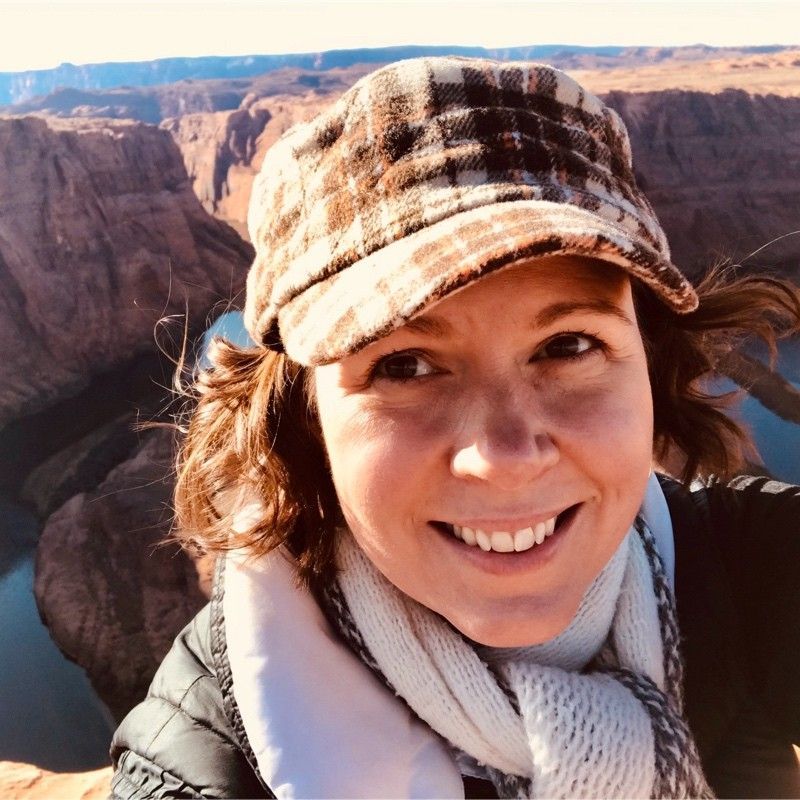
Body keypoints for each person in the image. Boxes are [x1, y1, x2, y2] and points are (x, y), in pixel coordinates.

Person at [109, 56, 800, 799]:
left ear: (652, 373)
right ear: (302, 425)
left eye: (568, 346)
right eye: (404, 365)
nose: (505, 457)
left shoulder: (750, 565)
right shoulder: (203, 754)